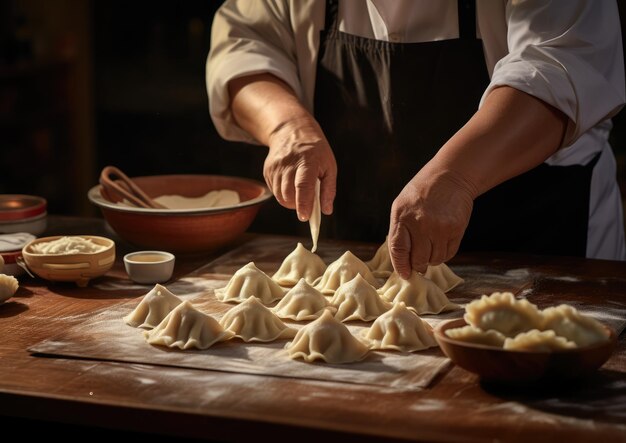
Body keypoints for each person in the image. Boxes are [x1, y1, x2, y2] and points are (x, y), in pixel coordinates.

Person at [207, 0, 626, 278]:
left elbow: (564, 62)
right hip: (355, 258)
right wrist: (286, 128)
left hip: (546, 254)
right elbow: (247, 39)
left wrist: (456, 178)